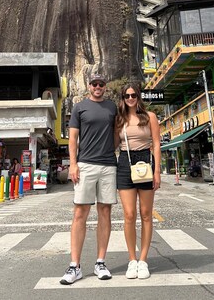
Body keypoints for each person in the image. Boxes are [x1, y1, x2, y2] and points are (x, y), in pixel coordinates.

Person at [60, 73, 117, 285]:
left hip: (108, 164)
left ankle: (100, 262)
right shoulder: (79, 107)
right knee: (80, 212)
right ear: (89, 86)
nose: (98, 86)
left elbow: (117, 132)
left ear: (105, 86)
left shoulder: (112, 107)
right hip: (85, 164)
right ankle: (74, 266)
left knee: (105, 211)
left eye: (101, 84)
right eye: (94, 84)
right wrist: (73, 164)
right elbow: (73, 138)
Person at [115, 82, 161, 280]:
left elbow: (157, 144)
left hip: (144, 161)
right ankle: (132, 260)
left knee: (146, 214)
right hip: (125, 161)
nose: (131, 98)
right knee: (129, 214)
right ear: (123, 98)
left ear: (139, 97)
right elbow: (114, 144)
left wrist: (157, 170)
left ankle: (143, 261)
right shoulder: (119, 120)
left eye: (134, 95)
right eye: (127, 96)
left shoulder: (149, 117)